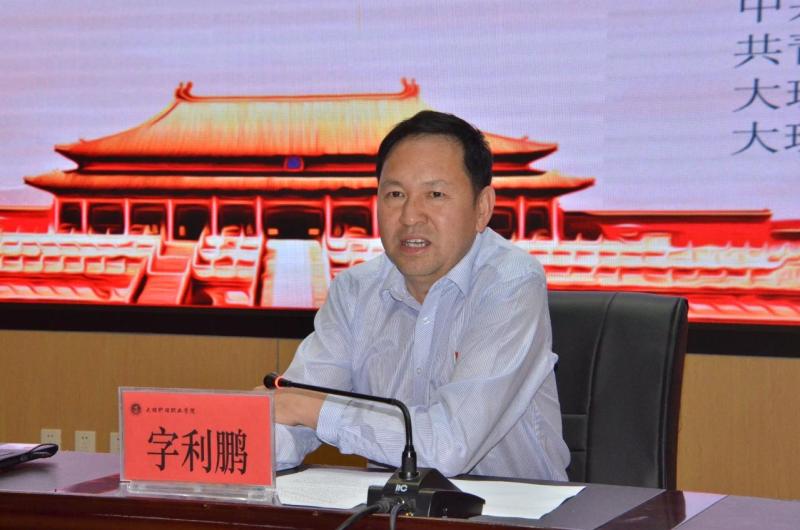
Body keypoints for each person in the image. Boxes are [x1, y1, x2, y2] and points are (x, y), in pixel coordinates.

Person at [272, 110, 569, 481]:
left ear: (482, 208)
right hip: (393, 508)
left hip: (518, 508)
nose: (411, 216)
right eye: (395, 194)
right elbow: (291, 414)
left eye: (435, 194)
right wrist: (254, 439)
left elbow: (448, 446)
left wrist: (310, 408)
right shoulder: (355, 290)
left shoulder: (511, 282)